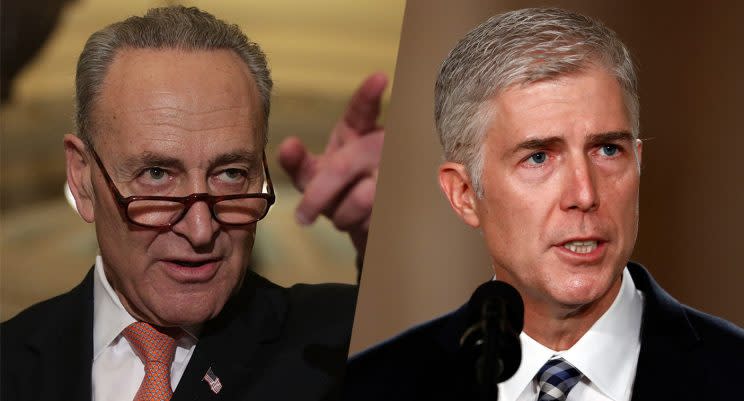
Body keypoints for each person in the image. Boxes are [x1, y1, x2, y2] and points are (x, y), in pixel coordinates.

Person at [342, 7, 744, 401]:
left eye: (607, 149)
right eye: (538, 157)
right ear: (464, 194)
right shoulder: (374, 385)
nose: (584, 195)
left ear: (638, 162)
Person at [1, 6, 384, 401]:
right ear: (82, 179)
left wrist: (393, 233)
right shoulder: (10, 362)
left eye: (232, 173)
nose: (201, 230)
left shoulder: (334, 345)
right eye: (156, 174)